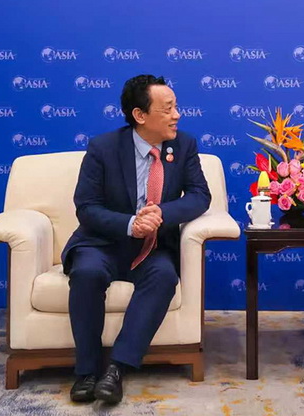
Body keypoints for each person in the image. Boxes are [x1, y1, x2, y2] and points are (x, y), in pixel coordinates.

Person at [62, 74, 210, 404]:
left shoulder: (184, 145)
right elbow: (86, 207)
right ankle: (86, 372)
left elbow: (200, 195)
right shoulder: (103, 148)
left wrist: (162, 214)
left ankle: (116, 369)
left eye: (176, 107)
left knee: (163, 276)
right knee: (86, 273)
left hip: (153, 247)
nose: (177, 115)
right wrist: (131, 224)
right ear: (140, 115)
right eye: (167, 109)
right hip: (102, 243)